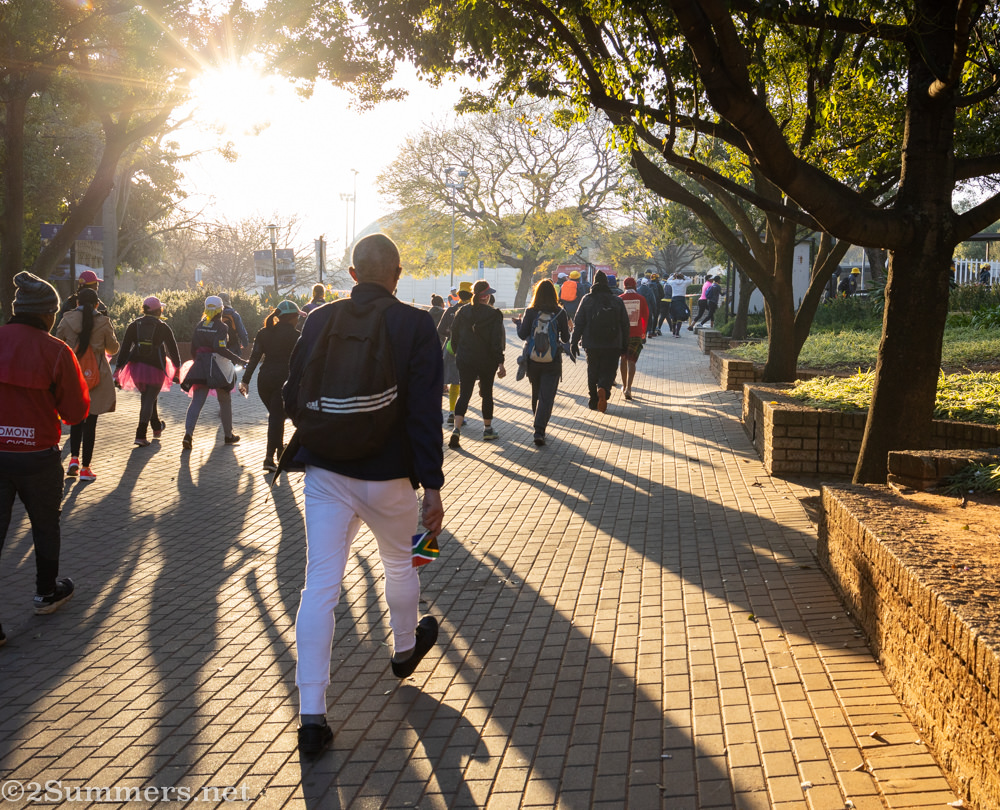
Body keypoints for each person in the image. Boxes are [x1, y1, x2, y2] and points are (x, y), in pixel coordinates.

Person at [281, 233, 444, 758]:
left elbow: (291, 392)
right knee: (403, 563)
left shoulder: (321, 318)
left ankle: (312, 717)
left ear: (353, 274)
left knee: (319, 587)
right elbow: (423, 412)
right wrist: (432, 486)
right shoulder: (417, 324)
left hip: (325, 472)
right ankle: (402, 650)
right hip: (390, 476)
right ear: (397, 274)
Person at [1, 272, 90, 643]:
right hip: (38, 454)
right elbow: (75, 412)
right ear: (48, 314)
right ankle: (46, 592)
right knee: (45, 525)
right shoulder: (56, 351)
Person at [56, 287, 119, 481]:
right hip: (97, 377)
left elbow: (58, 343)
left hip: (74, 375)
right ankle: (85, 469)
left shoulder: (67, 320)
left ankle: (73, 460)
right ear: (96, 305)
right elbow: (113, 348)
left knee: (76, 420)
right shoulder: (103, 322)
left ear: (77, 303)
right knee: (90, 423)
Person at [239, 300, 302, 471]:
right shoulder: (296, 336)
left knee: (277, 416)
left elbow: (254, 358)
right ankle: (268, 458)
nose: (298, 320)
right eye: (297, 317)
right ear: (292, 318)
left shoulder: (263, 333)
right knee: (276, 418)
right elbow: (302, 362)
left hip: (264, 381)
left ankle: (280, 451)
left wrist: (245, 380)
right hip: (283, 381)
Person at [179, 295, 245, 449]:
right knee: (225, 400)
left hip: (200, 367)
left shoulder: (200, 324)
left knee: (196, 402)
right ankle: (228, 435)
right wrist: (239, 360)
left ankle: (188, 435)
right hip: (218, 369)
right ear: (221, 309)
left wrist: (199, 361)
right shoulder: (221, 327)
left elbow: (193, 348)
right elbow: (220, 348)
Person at [115, 296, 182, 447]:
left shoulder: (134, 325)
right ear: (158, 311)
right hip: (156, 367)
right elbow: (173, 348)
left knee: (149, 396)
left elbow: (125, 348)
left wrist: (118, 369)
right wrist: (177, 368)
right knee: (148, 398)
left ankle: (157, 427)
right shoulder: (163, 326)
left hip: (136, 368)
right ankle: (140, 434)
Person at [448, 279, 507, 448]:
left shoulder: (462, 311)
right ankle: (487, 429)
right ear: (485, 297)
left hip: (465, 359)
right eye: (488, 294)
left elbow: (454, 334)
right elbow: (496, 341)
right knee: (487, 393)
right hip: (487, 361)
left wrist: (459, 351)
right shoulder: (494, 314)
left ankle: (456, 429)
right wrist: (500, 362)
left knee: (465, 393)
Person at [515, 279, 571, 446]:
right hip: (552, 360)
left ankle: (537, 424)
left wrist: (518, 323)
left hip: (533, 360)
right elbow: (566, 338)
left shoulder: (531, 311)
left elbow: (522, 334)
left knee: (536, 392)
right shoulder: (560, 312)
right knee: (547, 397)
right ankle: (540, 429)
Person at [571, 270, 629, 413]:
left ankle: (593, 399)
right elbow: (625, 324)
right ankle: (604, 388)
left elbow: (579, 322)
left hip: (591, 343)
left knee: (592, 370)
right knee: (609, 370)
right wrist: (625, 345)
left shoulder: (587, 299)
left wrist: (574, 341)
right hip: (613, 343)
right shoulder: (617, 300)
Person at [437, 281, 473, 426]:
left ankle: (451, 412)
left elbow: (440, 329)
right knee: (461, 382)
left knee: (451, 380)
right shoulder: (472, 311)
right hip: (467, 349)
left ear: (458, 295)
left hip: (450, 348)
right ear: (471, 295)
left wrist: (452, 335)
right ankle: (458, 414)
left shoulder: (450, 310)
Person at [619, 277, 649, 400]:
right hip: (636, 333)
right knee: (632, 361)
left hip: (622, 334)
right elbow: (646, 316)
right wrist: (643, 331)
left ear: (624, 286)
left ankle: (624, 384)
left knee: (623, 359)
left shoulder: (619, 299)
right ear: (635, 285)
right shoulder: (641, 299)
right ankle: (629, 388)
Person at [218, 292, 249, 356]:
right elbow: (242, 332)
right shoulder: (234, 315)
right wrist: (244, 343)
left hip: (217, 348)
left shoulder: (213, 315)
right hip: (232, 347)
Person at [665, 271, 690, 337]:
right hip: (681, 300)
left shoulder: (673, 282)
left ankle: (673, 332)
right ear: (681, 277)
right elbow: (690, 280)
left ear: (676, 277)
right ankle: (677, 333)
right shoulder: (684, 283)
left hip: (674, 300)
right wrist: (684, 276)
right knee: (680, 317)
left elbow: (668, 280)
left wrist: (673, 275)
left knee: (674, 316)